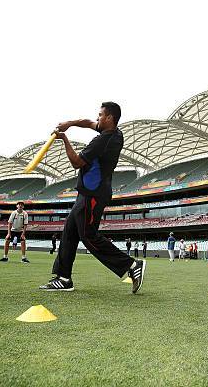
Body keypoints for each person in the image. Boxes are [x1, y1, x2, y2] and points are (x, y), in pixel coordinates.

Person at [39, 102, 146, 293]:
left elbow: (76, 162)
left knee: (89, 236)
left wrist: (64, 138)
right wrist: (69, 123)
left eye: (100, 115)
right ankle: (63, 278)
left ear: (109, 118)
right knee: (70, 232)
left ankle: (131, 265)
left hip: (93, 194)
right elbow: (89, 123)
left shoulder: (103, 141)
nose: (97, 119)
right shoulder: (115, 133)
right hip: (88, 194)